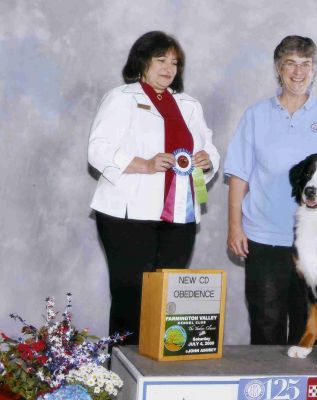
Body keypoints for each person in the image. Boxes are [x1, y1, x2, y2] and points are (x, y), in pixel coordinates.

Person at [224, 35, 317, 345]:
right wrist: (235, 227)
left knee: (310, 330)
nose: (298, 72)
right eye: (290, 64)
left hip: (316, 242)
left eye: (306, 65)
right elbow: (238, 176)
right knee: (265, 325)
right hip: (263, 238)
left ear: (314, 70)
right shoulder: (255, 116)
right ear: (277, 69)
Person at [88, 31, 219, 344]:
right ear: (142, 61)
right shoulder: (122, 98)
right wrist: (143, 164)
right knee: (130, 298)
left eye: (174, 62)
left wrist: (206, 161)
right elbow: (97, 149)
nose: (168, 67)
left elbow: (210, 148)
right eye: (161, 59)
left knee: (168, 300)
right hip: (127, 216)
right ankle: (120, 376)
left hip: (180, 218)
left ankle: (159, 374)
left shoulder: (189, 104)